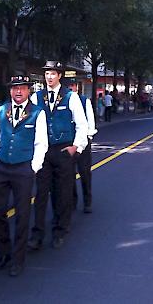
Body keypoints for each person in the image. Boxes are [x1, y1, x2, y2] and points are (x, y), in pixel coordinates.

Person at [0, 75, 48, 277]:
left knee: (22, 215)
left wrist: (33, 168)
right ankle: (4, 253)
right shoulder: (1, 110)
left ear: (29, 90)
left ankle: (18, 258)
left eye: (22, 88)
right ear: (10, 90)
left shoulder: (37, 113)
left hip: (23, 168)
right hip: (1, 167)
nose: (18, 91)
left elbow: (41, 143)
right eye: (15, 88)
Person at [29, 62, 88, 250]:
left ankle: (60, 229)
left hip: (63, 150)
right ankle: (37, 234)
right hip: (44, 150)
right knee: (41, 193)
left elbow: (81, 125)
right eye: (46, 73)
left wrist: (76, 147)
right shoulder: (37, 97)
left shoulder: (71, 97)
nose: (49, 77)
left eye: (53, 73)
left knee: (62, 192)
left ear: (59, 76)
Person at [66, 77, 97, 214]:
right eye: (68, 86)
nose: (70, 88)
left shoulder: (85, 101)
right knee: (68, 174)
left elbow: (90, 122)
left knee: (84, 173)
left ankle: (87, 201)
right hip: (68, 142)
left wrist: (87, 139)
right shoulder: (63, 101)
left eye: (72, 85)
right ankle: (72, 201)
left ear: (76, 87)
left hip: (83, 143)